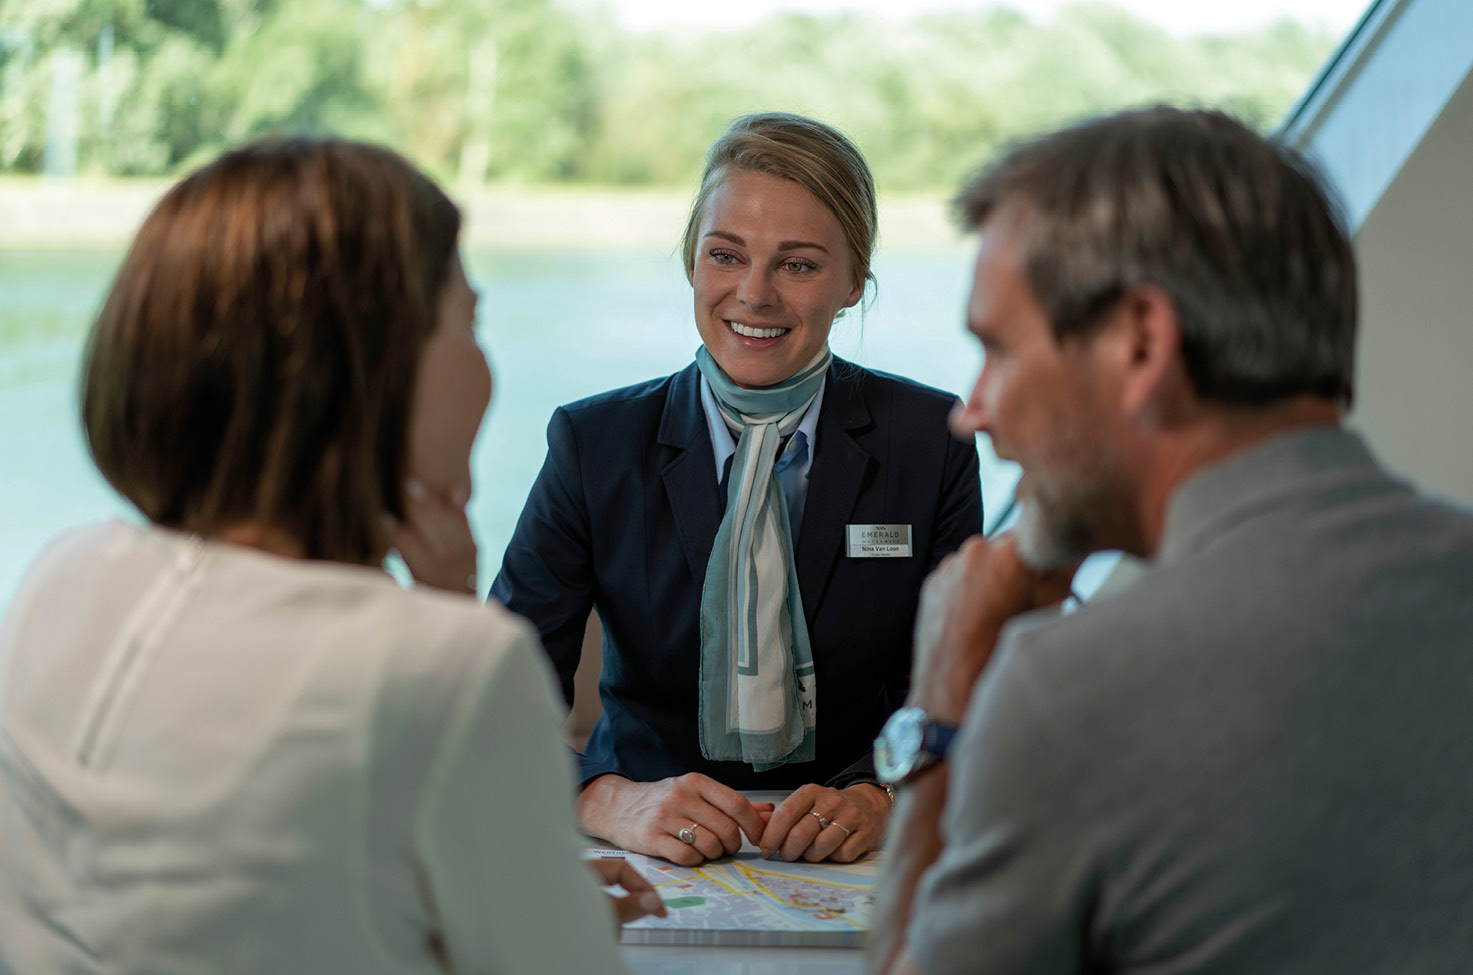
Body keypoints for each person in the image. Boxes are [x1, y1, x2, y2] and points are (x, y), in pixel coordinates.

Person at [0, 136, 661, 975]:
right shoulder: (448, 667)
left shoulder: (64, 579)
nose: (484, 365)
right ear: (373, 368)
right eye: (468, 322)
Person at [867, 106, 1473, 975]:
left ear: (1141, 343)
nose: (972, 412)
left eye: (997, 350)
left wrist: (937, 715)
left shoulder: (1068, 689)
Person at [491, 112, 983, 866]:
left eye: (798, 265)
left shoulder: (930, 439)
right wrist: (605, 798)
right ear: (693, 259)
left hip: (855, 851)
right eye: (726, 255)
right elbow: (495, 706)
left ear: (853, 280)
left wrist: (889, 795)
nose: (753, 294)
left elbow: (962, 689)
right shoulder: (594, 444)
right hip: (645, 842)